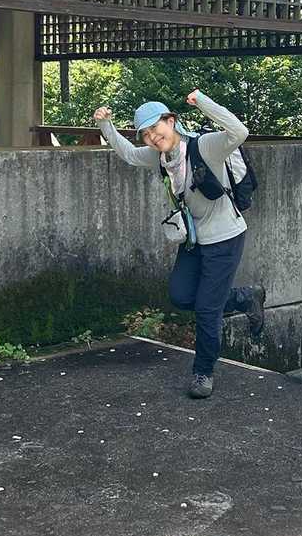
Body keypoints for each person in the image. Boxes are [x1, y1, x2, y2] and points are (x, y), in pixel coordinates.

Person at [93, 91, 265, 399]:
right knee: (181, 296)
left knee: (207, 310)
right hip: (194, 240)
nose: (152, 136)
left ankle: (203, 372)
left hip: (225, 238)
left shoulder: (204, 147)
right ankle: (243, 297)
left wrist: (203, 102)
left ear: (171, 121)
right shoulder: (158, 157)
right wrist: (105, 126)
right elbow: (128, 154)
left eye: (155, 127)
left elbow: (239, 132)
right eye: (145, 133)